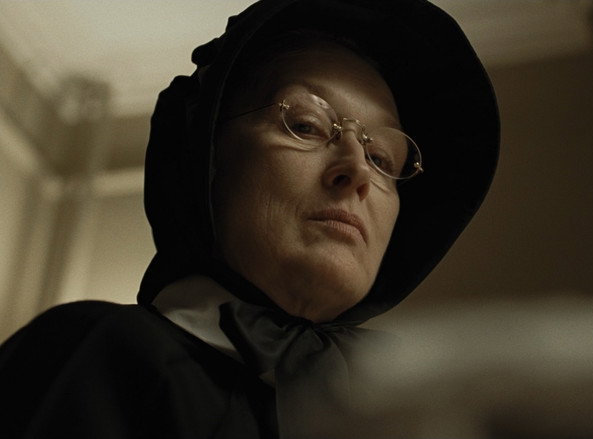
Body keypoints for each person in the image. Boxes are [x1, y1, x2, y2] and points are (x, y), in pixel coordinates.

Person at [0, 0, 499, 437]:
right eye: (306, 124)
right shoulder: (97, 352)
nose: (358, 171)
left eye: (383, 158)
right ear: (207, 161)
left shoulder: (417, 417)